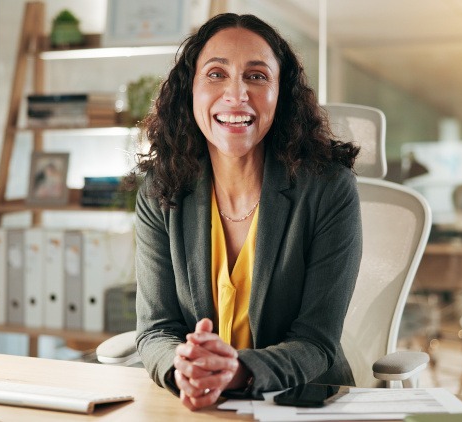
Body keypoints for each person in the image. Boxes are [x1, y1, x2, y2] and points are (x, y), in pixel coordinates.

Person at [131, 13, 362, 410]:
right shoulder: (160, 191)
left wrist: (238, 370)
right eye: (216, 74)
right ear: (191, 90)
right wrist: (181, 367)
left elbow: (316, 341)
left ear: (280, 94)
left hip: (304, 404)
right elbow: (156, 331)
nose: (236, 95)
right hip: (199, 407)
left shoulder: (328, 189)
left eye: (256, 76)